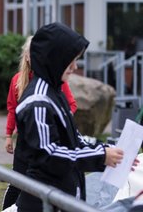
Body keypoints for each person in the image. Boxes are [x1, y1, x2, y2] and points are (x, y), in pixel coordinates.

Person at [13, 22, 124, 212]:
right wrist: (101, 156)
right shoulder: (38, 101)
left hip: (60, 200)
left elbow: (74, 139)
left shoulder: (55, 92)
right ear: (54, 59)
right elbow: (49, 155)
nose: (75, 66)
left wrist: (108, 151)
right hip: (43, 204)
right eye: (70, 60)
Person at [2, 35, 78, 210]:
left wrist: (57, 122)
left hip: (47, 140)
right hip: (24, 142)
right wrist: (8, 135)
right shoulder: (17, 80)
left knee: (41, 183)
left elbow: (71, 105)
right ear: (26, 56)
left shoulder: (54, 78)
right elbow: (12, 109)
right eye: (31, 53)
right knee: (17, 182)